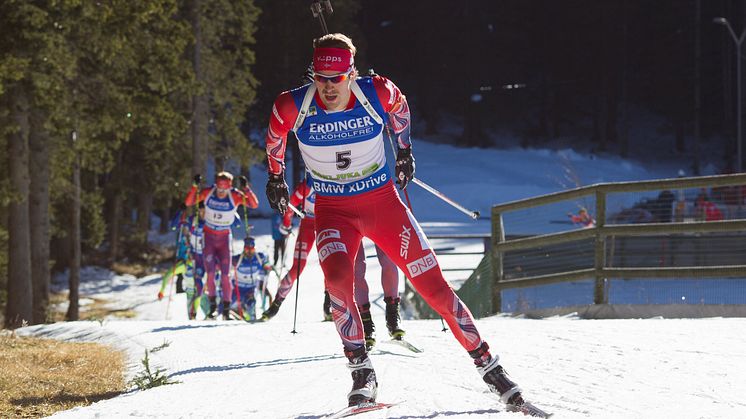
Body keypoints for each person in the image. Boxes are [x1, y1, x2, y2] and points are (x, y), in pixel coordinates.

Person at [263, 33, 531, 410]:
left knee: (434, 288)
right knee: (338, 279)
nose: (327, 87)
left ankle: (490, 367)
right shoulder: (292, 105)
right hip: (333, 212)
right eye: (319, 78)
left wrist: (405, 151)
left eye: (336, 79)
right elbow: (274, 137)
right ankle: (361, 370)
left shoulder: (377, 92)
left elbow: (401, 110)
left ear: (351, 74)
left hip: (382, 206)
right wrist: (276, 176)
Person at [184, 171, 259, 320]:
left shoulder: (234, 195)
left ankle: (225, 309)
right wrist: (194, 186)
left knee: (225, 275)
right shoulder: (208, 192)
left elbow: (254, 204)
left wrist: (246, 189)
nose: (221, 193)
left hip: (224, 238)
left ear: (229, 188)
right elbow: (189, 202)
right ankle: (212, 308)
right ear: (216, 186)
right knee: (210, 273)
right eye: (219, 189)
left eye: (224, 190)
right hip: (209, 237)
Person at [260, 179, 321, 320]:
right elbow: (291, 204)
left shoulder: (332, 180)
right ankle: (276, 303)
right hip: (308, 224)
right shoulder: (307, 185)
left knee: (330, 265)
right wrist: (286, 224)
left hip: (327, 223)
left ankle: (328, 305)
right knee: (297, 267)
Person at [354, 243, 405, 350]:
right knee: (356, 266)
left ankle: (392, 316)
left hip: (376, 225)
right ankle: (365, 322)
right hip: (352, 226)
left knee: (389, 258)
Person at [231, 237, 273, 321]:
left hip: (250, 289)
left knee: (251, 304)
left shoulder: (259, 258)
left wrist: (267, 267)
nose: (249, 251)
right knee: (229, 305)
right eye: (247, 248)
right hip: (237, 289)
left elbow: (267, 264)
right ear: (244, 249)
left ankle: (250, 319)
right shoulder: (238, 259)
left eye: (252, 248)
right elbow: (225, 263)